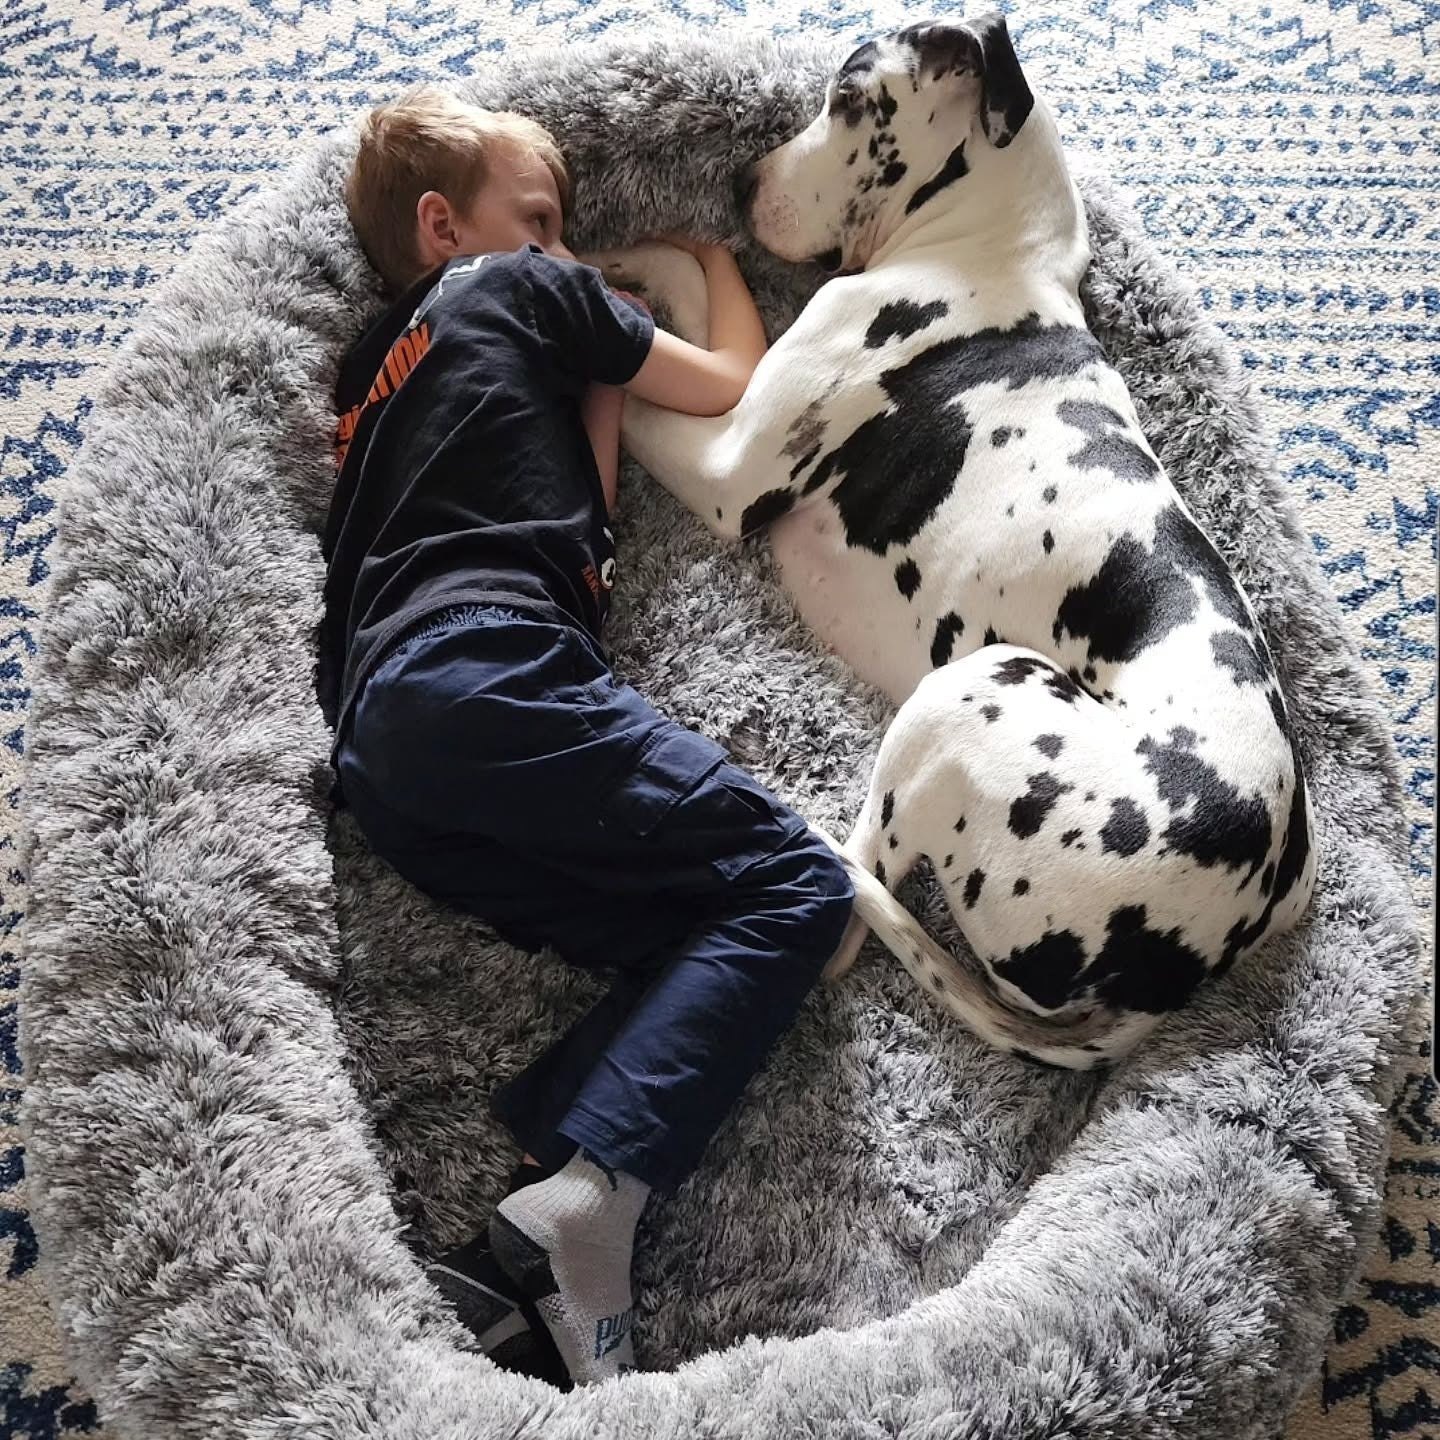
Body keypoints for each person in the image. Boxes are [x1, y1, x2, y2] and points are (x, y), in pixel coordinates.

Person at [324, 86, 854, 1389]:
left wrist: (591, 385)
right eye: (542, 219)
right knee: (798, 887)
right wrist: (707, 261)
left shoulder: (367, 380)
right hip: (495, 666)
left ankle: (539, 1205)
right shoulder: (528, 287)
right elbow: (729, 382)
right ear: (445, 227)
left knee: (696, 934)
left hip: (385, 747)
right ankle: (597, 1203)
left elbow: (581, 514)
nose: (563, 247)